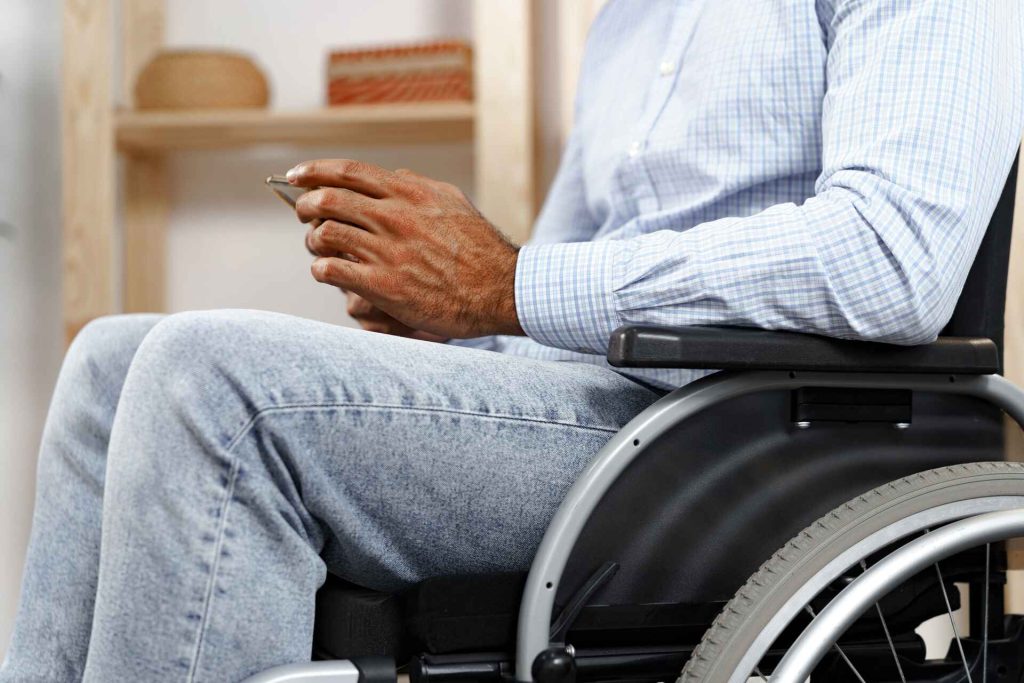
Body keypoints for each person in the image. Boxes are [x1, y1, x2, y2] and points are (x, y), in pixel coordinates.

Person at [4, 1, 1022, 680]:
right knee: (111, 358)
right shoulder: (631, 17)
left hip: (754, 436)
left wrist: (502, 281)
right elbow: (557, 280)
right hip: (606, 408)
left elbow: (890, 262)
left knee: (206, 383)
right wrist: (444, 322)